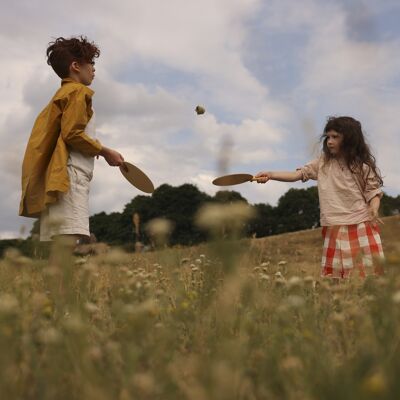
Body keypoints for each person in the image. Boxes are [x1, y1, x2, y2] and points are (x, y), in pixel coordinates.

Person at [19, 36, 125, 246]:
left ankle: (77, 266)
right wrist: (105, 151)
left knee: (65, 244)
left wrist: (92, 146)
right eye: (91, 63)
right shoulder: (77, 92)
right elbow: (72, 134)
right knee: (68, 243)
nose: (94, 69)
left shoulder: (60, 94)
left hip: (58, 177)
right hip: (70, 176)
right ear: (76, 66)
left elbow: (69, 134)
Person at [255, 116, 385, 278]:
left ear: (350, 139)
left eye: (335, 137)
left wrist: (373, 207)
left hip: (361, 225)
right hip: (334, 226)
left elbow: (373, 192)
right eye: (328, 137)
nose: (329, 141)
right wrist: (271, 174)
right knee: (336, 278)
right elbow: (298, 175)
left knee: (369, 275)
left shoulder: (361, 167)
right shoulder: (323, 163)